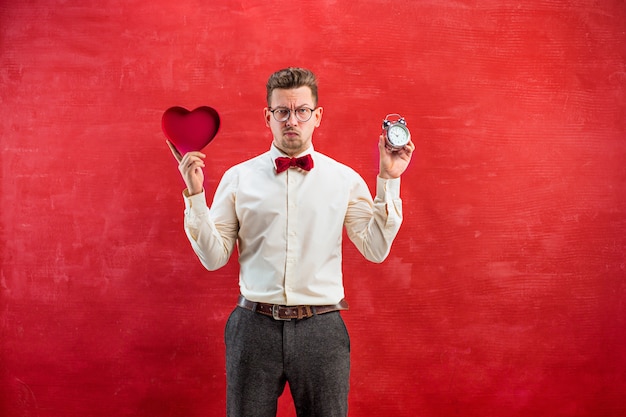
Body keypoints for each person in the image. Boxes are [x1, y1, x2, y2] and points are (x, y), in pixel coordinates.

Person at [168, 67, 414, 417]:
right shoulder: (239, 178)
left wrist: (388, 180)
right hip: (253, 327)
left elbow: (375, 249)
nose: (291, 121)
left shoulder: (344, 179)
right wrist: (195, 195)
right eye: (282, 111)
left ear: (317, 116)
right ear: (267, 117)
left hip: (322, 329)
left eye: (301, 111)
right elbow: (213, 257)